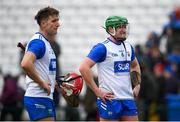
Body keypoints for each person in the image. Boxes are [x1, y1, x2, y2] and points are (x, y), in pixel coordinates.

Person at [79, 16, 141, 121]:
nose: (124, 30)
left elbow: (135, 66)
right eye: (120, 27)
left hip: (128, 98)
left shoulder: (128, 47)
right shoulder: (102, 48)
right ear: (111, 29)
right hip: (110, 100)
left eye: (124, 27)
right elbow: (83, 68)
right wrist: (97, 91)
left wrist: (137, 85)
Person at [20, 6, 69, 121]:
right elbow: (25, 64)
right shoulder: (38, 42)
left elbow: (44, 70)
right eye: (54, 21)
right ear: (43, 23)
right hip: (38, 97)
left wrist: (56, 84)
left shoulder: (46, 43)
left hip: (45, 97)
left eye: (58, 20)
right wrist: (42, 83)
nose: (58, 24)